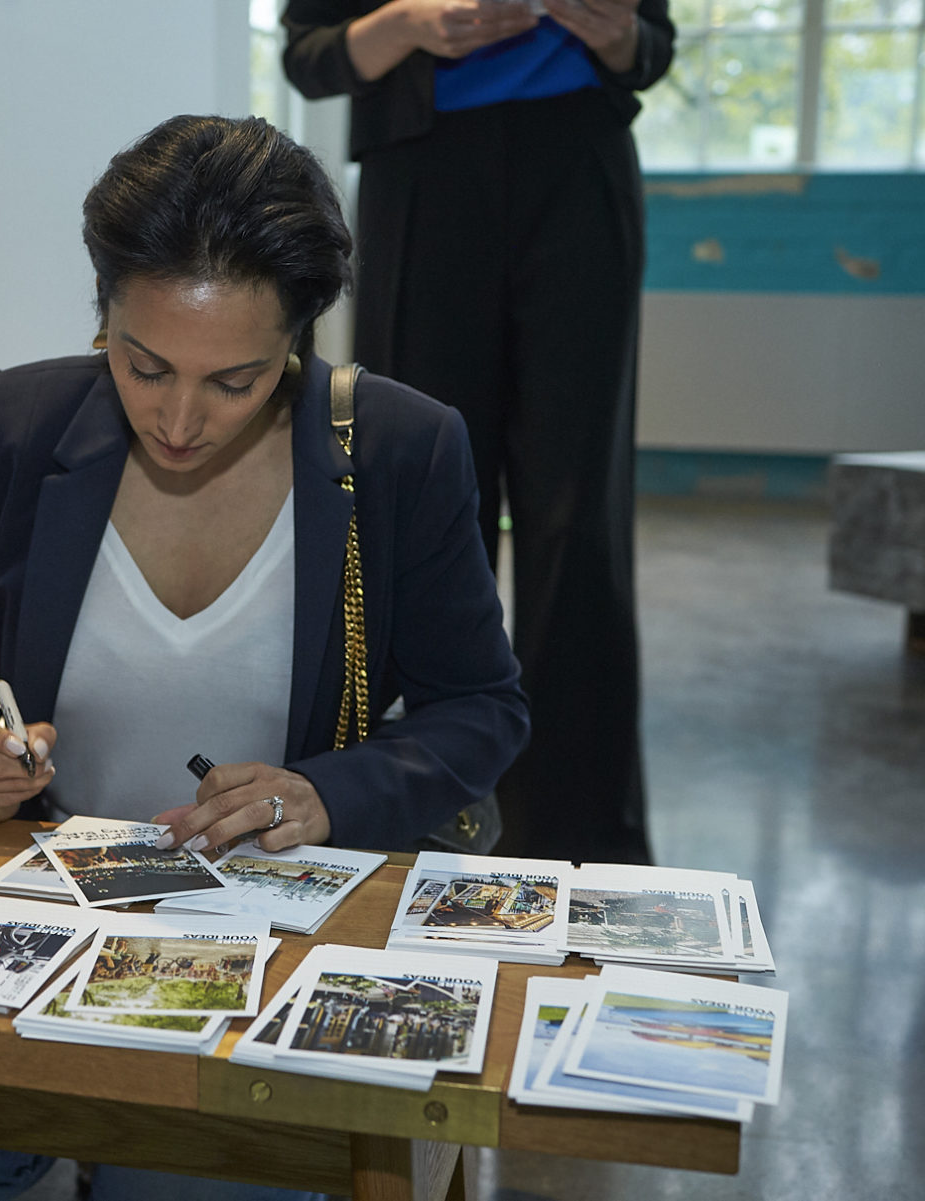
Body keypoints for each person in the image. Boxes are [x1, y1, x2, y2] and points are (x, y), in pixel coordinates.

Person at [0, 114, 528, 1201]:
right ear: (103, 317)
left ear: (299, 344)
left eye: (233, 381)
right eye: (143, 364)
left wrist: (322, 791)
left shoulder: (400, 450)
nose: (177, 419)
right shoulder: (20, 426)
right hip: (52, 906)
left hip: (270, 929)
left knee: (191, 1176)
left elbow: (483, 710)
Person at [280, 0, 674, 865]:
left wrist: (614, 33)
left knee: (579, 518)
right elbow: (308, 55)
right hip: (422, 174)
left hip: (581, 166)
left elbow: (652, 44)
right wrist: (411, 24)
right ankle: (404, 808)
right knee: (419, 498)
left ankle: (582, 842)